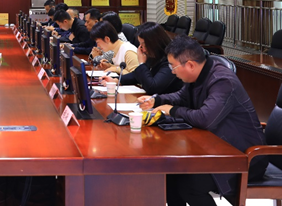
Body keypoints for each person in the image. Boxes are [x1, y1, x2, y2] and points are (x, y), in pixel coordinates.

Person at [138, 36, 267, 206]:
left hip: (244, 156)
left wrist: (172, 110)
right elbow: (182, 96)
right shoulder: (199, 74)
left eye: (173, 66)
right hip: (218, 148)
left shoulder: (223, 80)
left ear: (190, 65)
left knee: (190, 185)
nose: (172, 72)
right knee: (170, 174)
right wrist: (157, 100)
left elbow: (205, 119)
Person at [100, 22, 182, 94]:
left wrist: (142, 64)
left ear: (154, 42)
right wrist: (116, 80)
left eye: (144, 44)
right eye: (140, 44)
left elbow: (152, 88)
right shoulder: (153, 55)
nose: (142, 49)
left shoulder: (170, 60)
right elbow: (136, 75)